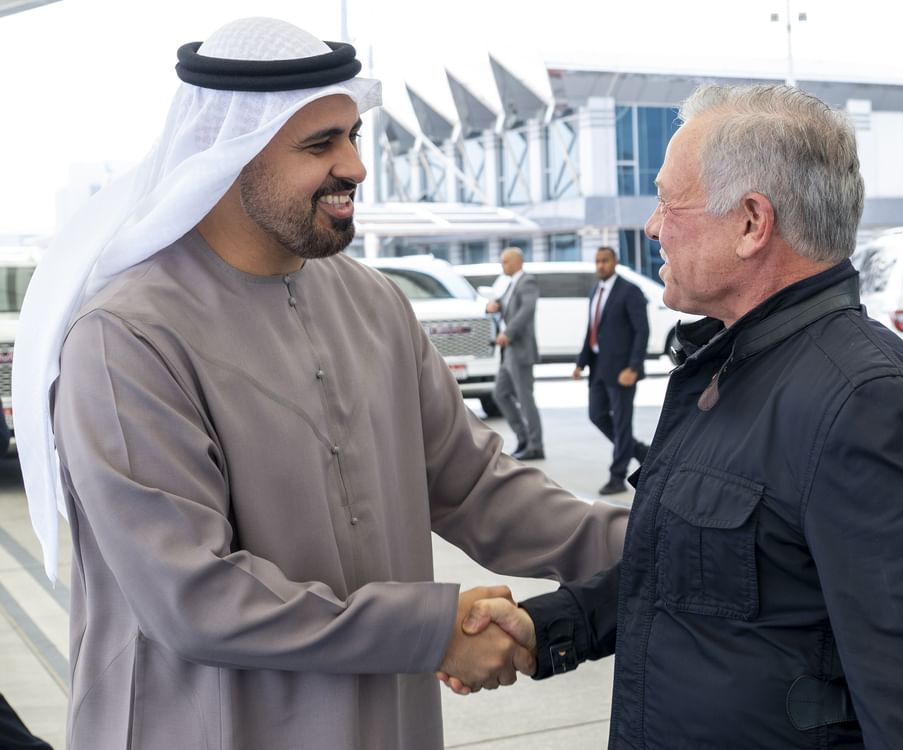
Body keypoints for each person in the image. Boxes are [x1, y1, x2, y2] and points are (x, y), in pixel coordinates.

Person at [12, 18, 629, 750]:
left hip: (385, 723)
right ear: (231, 156)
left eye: (353, 136)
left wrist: (660, 542)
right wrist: (433, 632)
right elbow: (194, 596)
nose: (355, 167)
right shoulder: (128, 337)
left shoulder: (374, 303)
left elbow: (475, 488)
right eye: (319, 144)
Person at [445, 83, 903, 748]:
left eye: (667, 202)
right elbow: (693, 568)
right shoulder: (733, 369)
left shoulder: (866, 409)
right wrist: (551, 628)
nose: (652, 227)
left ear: (751, 223)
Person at [572, 247, 649, 494]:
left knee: (622, 424)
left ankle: (617, 477)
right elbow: (592, 329)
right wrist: (581, 363)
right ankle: (642, 453)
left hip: (622, 370)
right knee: (597, 415)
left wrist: (633, 367)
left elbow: (642, 331)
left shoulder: (630, 290)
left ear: (615, 261)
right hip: (598, 367)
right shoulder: (596, 290)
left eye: (605, 260)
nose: (600, 265)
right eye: (597, 261)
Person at [486, 247, 544, 460]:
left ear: (517, 262)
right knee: (500, 394)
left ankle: (536, 446)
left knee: (525, 399)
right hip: (509, 351)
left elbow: (526, 310)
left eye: (506, 261)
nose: (502, 265)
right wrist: (495, 306)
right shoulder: (510, 284)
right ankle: (523, 438)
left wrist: (508, 333)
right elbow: (507, 306)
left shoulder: (527, 281)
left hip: (520, 349)